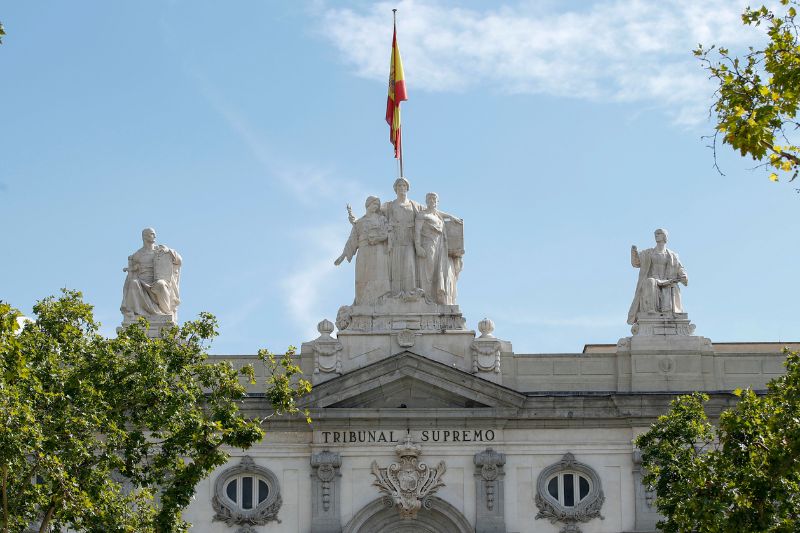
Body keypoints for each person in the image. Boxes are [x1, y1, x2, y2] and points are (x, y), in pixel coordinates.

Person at [334, 196, 391, 305]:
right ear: (368, 205)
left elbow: (388, 233)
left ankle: (380, 302)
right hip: (364, 252)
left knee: (379, 276)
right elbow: (352, 240)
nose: (375, 207)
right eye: (374, 204)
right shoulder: (359, 222)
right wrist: (342, 256)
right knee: (362, 277)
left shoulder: (382, 219)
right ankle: (363, 303)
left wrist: (378, 238)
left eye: (377, 205)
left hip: (378, 251)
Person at [120, 227, 182, 323]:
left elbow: (179, 261)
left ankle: (166, 313)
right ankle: (136, 312)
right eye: (152, 234)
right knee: (133, 283)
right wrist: (130, 269)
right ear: (144, 236)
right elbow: (134, 268)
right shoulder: (138, 254)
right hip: (142, 282)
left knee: (161, 284)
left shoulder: (160, 250)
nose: (155, 236)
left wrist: (169, 251)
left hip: (157, 281)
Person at [627, 228, 688, 325]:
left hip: (668, 281)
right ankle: (651, 310)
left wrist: (683, 275)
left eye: (659, 233)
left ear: (665, 237)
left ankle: (669, 315)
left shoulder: (673, 255)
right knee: (650, 281)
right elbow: (636, 263)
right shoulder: (648, 252)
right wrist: (634, 252)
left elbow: (680, 268)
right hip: (653, 280)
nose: (656, 235)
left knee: (670, 286)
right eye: (655, 233)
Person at [415, 192, 461, 305]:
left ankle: (436, 296)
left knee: (438, 270)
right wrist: (418, 246)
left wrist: (450, 217)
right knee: (428, 270)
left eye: (434, 199)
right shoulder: (422, 215)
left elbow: (439, 213)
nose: (432, 201)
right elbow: (417, 231)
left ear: (437, 202)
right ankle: (427, 297)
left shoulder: (438, 216)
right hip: (428, 244)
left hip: (440, 245)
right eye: (430, 199)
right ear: (426, 201)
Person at [382, 177, 422, 295]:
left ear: (407, 188)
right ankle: (395, 294)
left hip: (409, 239)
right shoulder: (389, 205)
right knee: (396, 266)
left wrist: (450, 217)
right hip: (395, 240)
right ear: (395, 189)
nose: (402, 188)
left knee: (409, 265)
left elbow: (431, 212)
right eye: (399, 186)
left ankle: (410, 293)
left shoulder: (415, 205)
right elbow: (373, 214)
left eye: (404, 186)